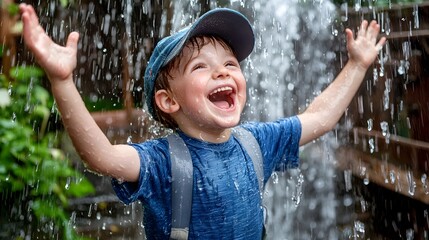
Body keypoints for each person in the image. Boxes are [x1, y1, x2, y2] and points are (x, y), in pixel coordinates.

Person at [19, 3, 386, 240]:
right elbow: (98, 156)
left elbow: (319, 117)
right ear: (169, 101)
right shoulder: (162, 162)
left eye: (230, 64)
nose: (222, 73)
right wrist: (63, 82)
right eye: (201, 67)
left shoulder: (256, 142)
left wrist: (357, 65)